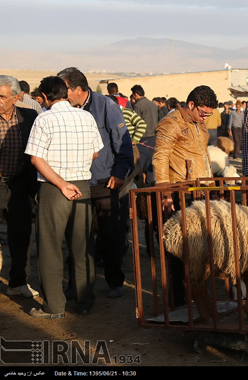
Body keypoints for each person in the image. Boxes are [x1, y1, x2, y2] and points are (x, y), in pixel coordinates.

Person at [25, 76, 103, 318]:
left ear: (46, 97)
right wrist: (75, 171)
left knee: (50, 248)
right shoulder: (86, 116)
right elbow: (95, 153)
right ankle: (85, 301)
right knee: (82, 246)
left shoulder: (44, 118)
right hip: (82, 186)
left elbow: (36, 158)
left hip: (54, 187)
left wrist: (61, 182)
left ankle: (54, 306)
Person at [58, 67, 134, 299]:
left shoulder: (106, 106)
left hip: (104, 181)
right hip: (75, 182)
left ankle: (114, 280)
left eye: (65, 89)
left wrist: (120, 172)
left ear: (78, 90)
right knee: (77, 235)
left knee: (110, 233)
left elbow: (123, 142)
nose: (62, 94)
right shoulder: (63, 109)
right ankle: (77, 285)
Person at [152, 85, 217, 305]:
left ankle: (198, 296)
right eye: (203, 113)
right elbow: (160, 157)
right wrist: (165, 194)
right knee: (180, 247)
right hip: (181, 191)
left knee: (200, 246)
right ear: (191, 105)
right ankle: (179, 300)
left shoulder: (196, 122)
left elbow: (201, 153)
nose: (205, 118)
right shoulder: (171, 123)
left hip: (200, 189)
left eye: (209, 114)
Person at [0, 75, 39, 298]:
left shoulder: (30, 116)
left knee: (21, 235)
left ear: (15, 98)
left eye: (2, 97)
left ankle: (17, 282)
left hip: (19, 185)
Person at [131, 84, 158, 186]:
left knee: (139, 166)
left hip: (142, 139)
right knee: (151, 165)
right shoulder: (153, 104)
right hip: (153, 137)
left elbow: (137, 123)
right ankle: (151, 190)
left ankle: (140, 191)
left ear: (136, 95)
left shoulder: (138, 106)